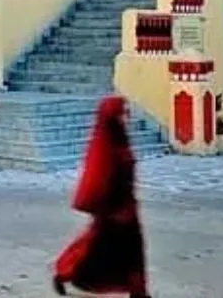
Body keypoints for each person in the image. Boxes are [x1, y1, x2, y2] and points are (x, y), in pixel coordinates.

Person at [53, 95, 151, 297]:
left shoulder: (120, 137)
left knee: (132, 253)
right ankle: (64, 272)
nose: (126, 116)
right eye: (121, 113)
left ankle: (138, 292)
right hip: (112, 209)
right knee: (94, 249)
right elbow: (100, 175)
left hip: (127, 207)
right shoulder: (106, 142)